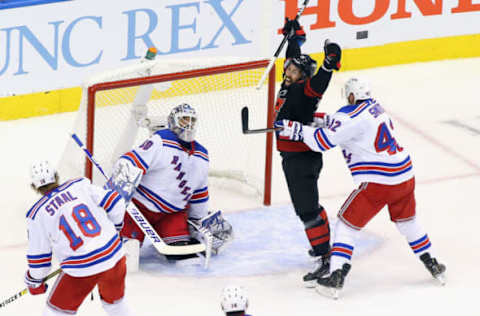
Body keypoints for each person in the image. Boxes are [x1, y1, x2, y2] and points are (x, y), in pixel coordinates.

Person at [275, 77, 446, 299]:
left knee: (346, 225)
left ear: (352, 96)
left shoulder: (349, 117)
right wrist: (315, 120)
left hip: (379, 181)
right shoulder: (376, 108)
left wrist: (297, 130)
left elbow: (322, 142)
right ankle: (432, 262)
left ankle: (336, 275)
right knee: (408, 221)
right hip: (404, 176)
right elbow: (341, 122)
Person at [115, 103, 233, 262]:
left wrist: (197, 220)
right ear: (173, 121)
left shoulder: (202, 155)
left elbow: (199, 193)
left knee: (183, 257)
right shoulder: (161, 141)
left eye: (192, 120)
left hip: (172, 214)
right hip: (139, 208)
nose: (189, 125)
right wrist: (116, 197)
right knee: (124, 256)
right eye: (184, 120)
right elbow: (130, 162)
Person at [274, 18, 342, 286]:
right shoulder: (290, 83)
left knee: (307, 211)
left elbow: (318, 85)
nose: (287, 71)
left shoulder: (303, 90)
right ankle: (324, 246)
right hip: (295, 157)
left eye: (293, 71)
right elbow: (294, 58)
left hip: (301, 159)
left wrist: (328, 65)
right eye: (288, 68)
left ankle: (326, 258)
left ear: (303, 77)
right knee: (308, 206)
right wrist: (295, 35)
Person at [25, 160, 133, 315]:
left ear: (34, 187)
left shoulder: (36, 214)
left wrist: (34, 281)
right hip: (114, 256)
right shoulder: (79, 185)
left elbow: (39, 261)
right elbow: (116, 202)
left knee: (56, 312)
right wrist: (115, 229)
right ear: (56, 176)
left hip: (81, 269)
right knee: (115, 305)